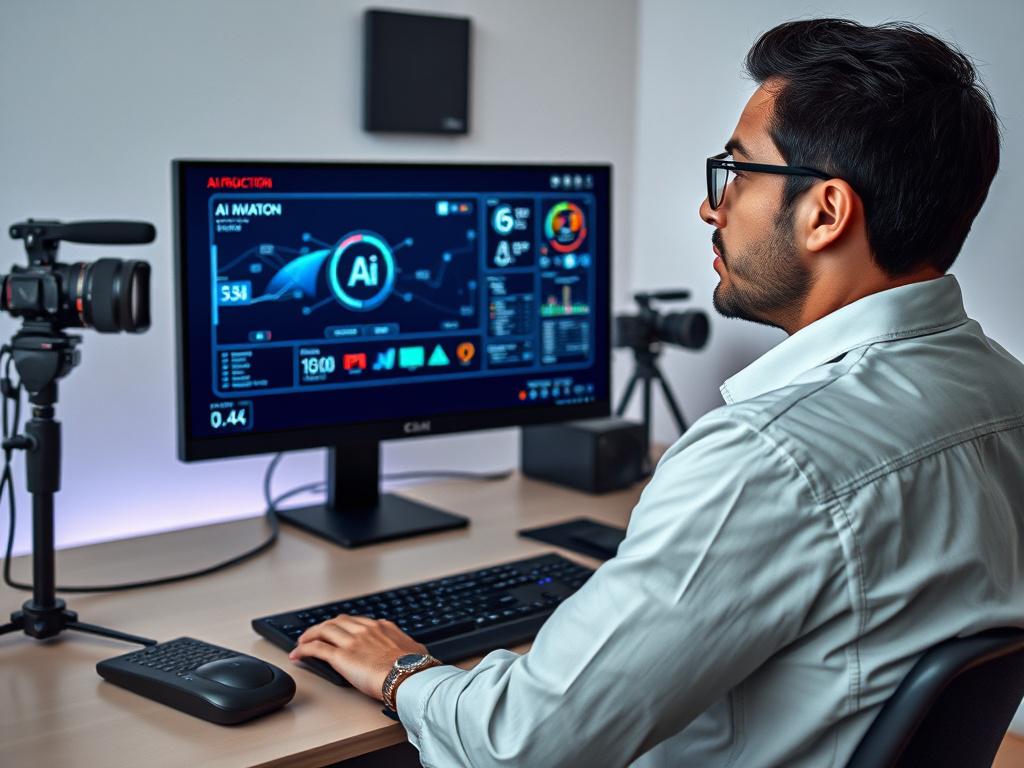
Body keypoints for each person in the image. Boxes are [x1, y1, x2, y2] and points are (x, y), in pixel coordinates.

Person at [289, 19, 1024, 767]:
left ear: (825, 213)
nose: (713, 208)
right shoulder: (1008, 394)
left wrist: (404, 672)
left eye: (737, 173)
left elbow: (524, 746)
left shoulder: (767, 458)